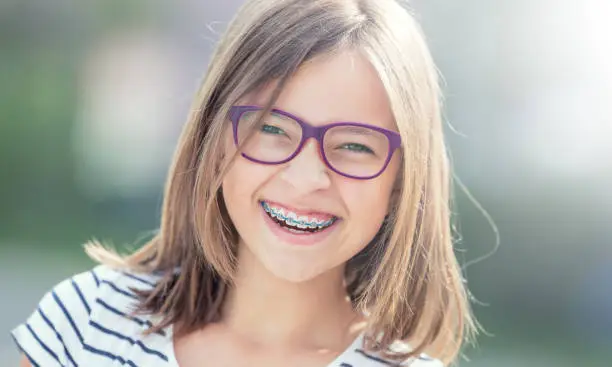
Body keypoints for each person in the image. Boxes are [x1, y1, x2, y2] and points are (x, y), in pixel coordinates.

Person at [12, 0, 478, 366]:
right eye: (272, 130)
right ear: (212, 140)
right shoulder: (88, 322)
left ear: (402, 179)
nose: (307, 177)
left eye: (355, 146)